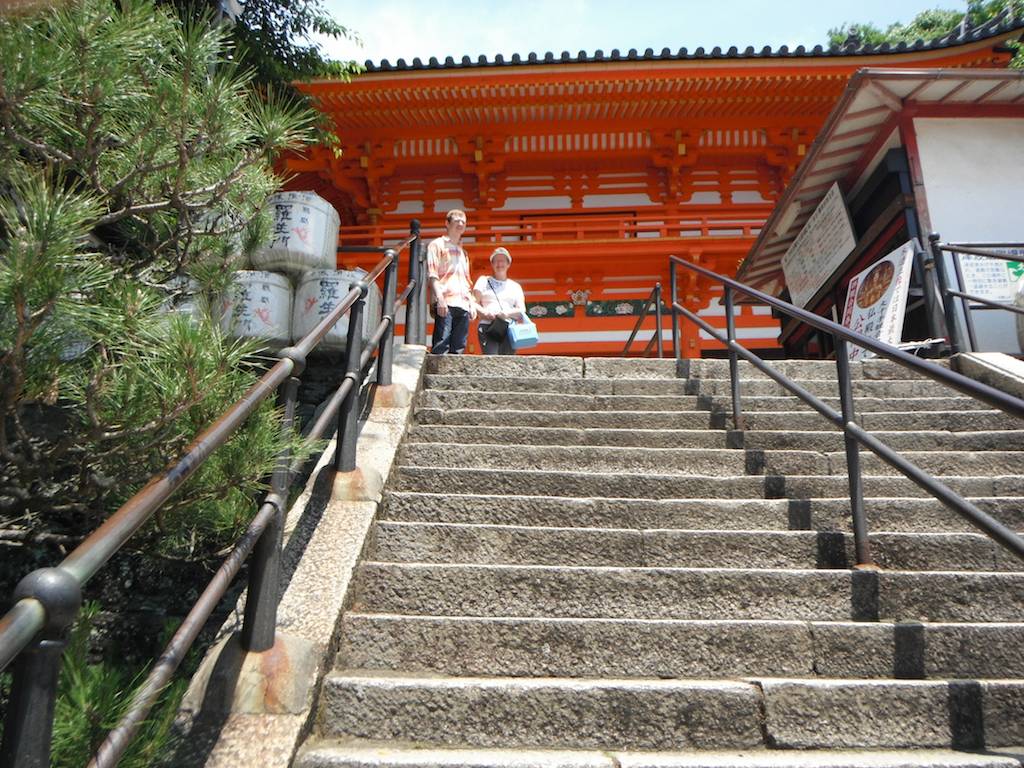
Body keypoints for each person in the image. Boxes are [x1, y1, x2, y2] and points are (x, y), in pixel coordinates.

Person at [427, 209, 475, 354]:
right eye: (457, 221)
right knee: (442, 342)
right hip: (445, 299)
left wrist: (471, 303)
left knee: (459, 346)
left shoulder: (463, 253)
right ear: (447, 223)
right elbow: (432, 273)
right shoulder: (437, 245)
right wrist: (439, 298)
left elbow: (467, 281)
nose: (461, 224)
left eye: (463, 222)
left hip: (463, 302)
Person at [473, 247, 527, 355]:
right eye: (496, 261)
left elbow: (522, 310)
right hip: (488, 325)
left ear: (508, 264)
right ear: (492, 264)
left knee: (508, 361)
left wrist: (506, 313)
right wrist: (484, 313)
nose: (499, 264)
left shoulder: (515, 286)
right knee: (491, 358)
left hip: (509, 327)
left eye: (502, 261)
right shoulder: (483, 280)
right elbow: (473, 302)